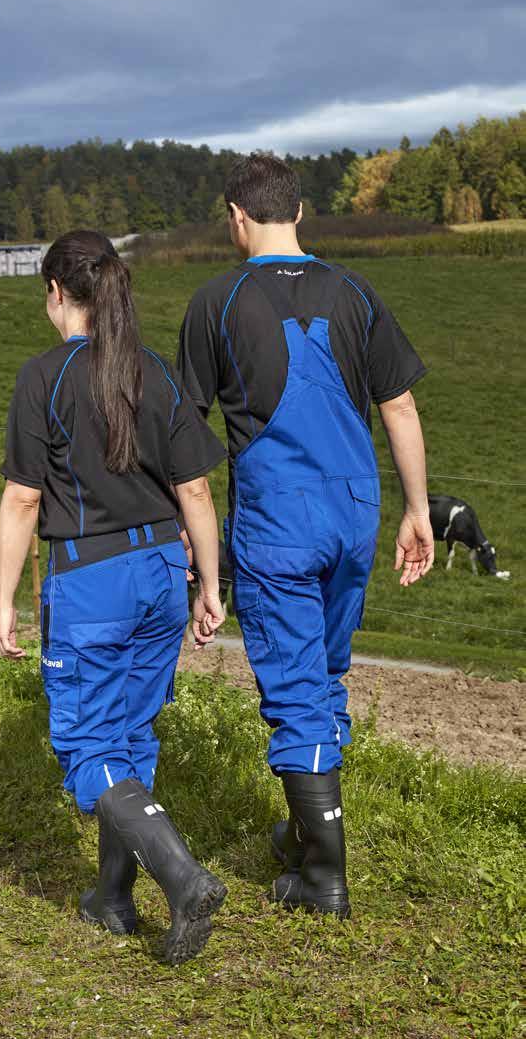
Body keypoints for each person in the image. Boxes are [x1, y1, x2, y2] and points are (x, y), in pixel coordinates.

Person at [177, 154, 435, 919]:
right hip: (356, 511)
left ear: (236, 216)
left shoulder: (217, 301)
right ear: (302, 211)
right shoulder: (356, 290)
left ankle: (324, 874)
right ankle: (300, 830)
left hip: (278, 517)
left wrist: (197, 548)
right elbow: (402, 409)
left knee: (293, 686)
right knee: (323, 672)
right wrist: (416, 510)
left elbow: (186, 432)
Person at [0, 230, 229, 964]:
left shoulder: (44, 377)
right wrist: (210, 585)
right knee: (128, 733)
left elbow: (23, 500)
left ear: (58, 292)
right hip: (162, 572)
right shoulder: (152, 370)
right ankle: (112, 898)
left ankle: (182, 876)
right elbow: (194, 487)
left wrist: (4, 601)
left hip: (90, 580)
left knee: (88, 745)